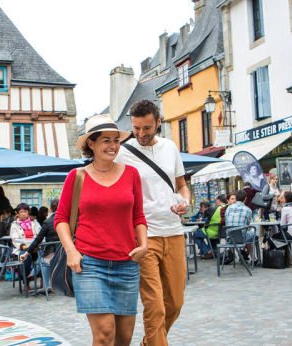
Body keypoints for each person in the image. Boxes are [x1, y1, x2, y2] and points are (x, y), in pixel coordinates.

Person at [55, 113, 147, 346]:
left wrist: (143, 245)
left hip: (127, 264)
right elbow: (61, 219)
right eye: (106, 140)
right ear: (91, 144)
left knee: (123, 339)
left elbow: (138, 216)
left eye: (116, 140)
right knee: (105, 333)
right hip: (90, 265)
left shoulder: (131, 174)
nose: (112, 145)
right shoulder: (77, 177)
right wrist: (71, 251)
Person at [113, 100, 188, 345]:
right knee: (154, 306)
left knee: (175, 303)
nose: (141, 134)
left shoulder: (170, 147)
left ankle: (149, 343)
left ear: (158, 122)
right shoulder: (122, 153)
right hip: (144, 237)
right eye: (136, 128)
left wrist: (185, 202)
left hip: (174, 232)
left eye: (147, 128)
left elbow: (182, 186)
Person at [20, 199, 59, 292]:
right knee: (41, 256)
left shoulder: (48, 222)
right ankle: (43, 282)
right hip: (64, 253)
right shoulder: (66, 220)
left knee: (43, 260)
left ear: (50, 209)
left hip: (52, 253)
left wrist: (27, 252)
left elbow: (38, 240)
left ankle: (43, 284)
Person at [9, 203, 41, 283]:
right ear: (18, 214)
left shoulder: (35, 223)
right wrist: (23, 247)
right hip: (22, 249)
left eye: (25, 211)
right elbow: (14, 239)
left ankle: (41, 281)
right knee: (25, 257)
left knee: (44, 255)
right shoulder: (14, 225)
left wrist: (35, 246)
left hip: (35, 247)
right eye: (21, 212)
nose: (23, 214)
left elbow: (40, 235)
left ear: (28, 212)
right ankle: (26, 281)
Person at [224, 189, 255, 261]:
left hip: (229, 238)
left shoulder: (228, 208)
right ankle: (253, 258)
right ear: (245, 199)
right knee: (252, 235)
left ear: (236, 198)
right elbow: (248, 224)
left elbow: (226, 222)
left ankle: (243, 253)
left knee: (245, 233)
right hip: (242, 238)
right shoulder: (247, 210)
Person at [196, 195, 226, 259]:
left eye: (215, 200)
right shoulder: (227, 208)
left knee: (196, 235)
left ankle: (207, 251)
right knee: (212, 236)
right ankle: (214, 251)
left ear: (219, 201)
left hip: (210, 231)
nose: (215, 202)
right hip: (221, 232)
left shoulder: (213, 209)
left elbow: (204, 215)